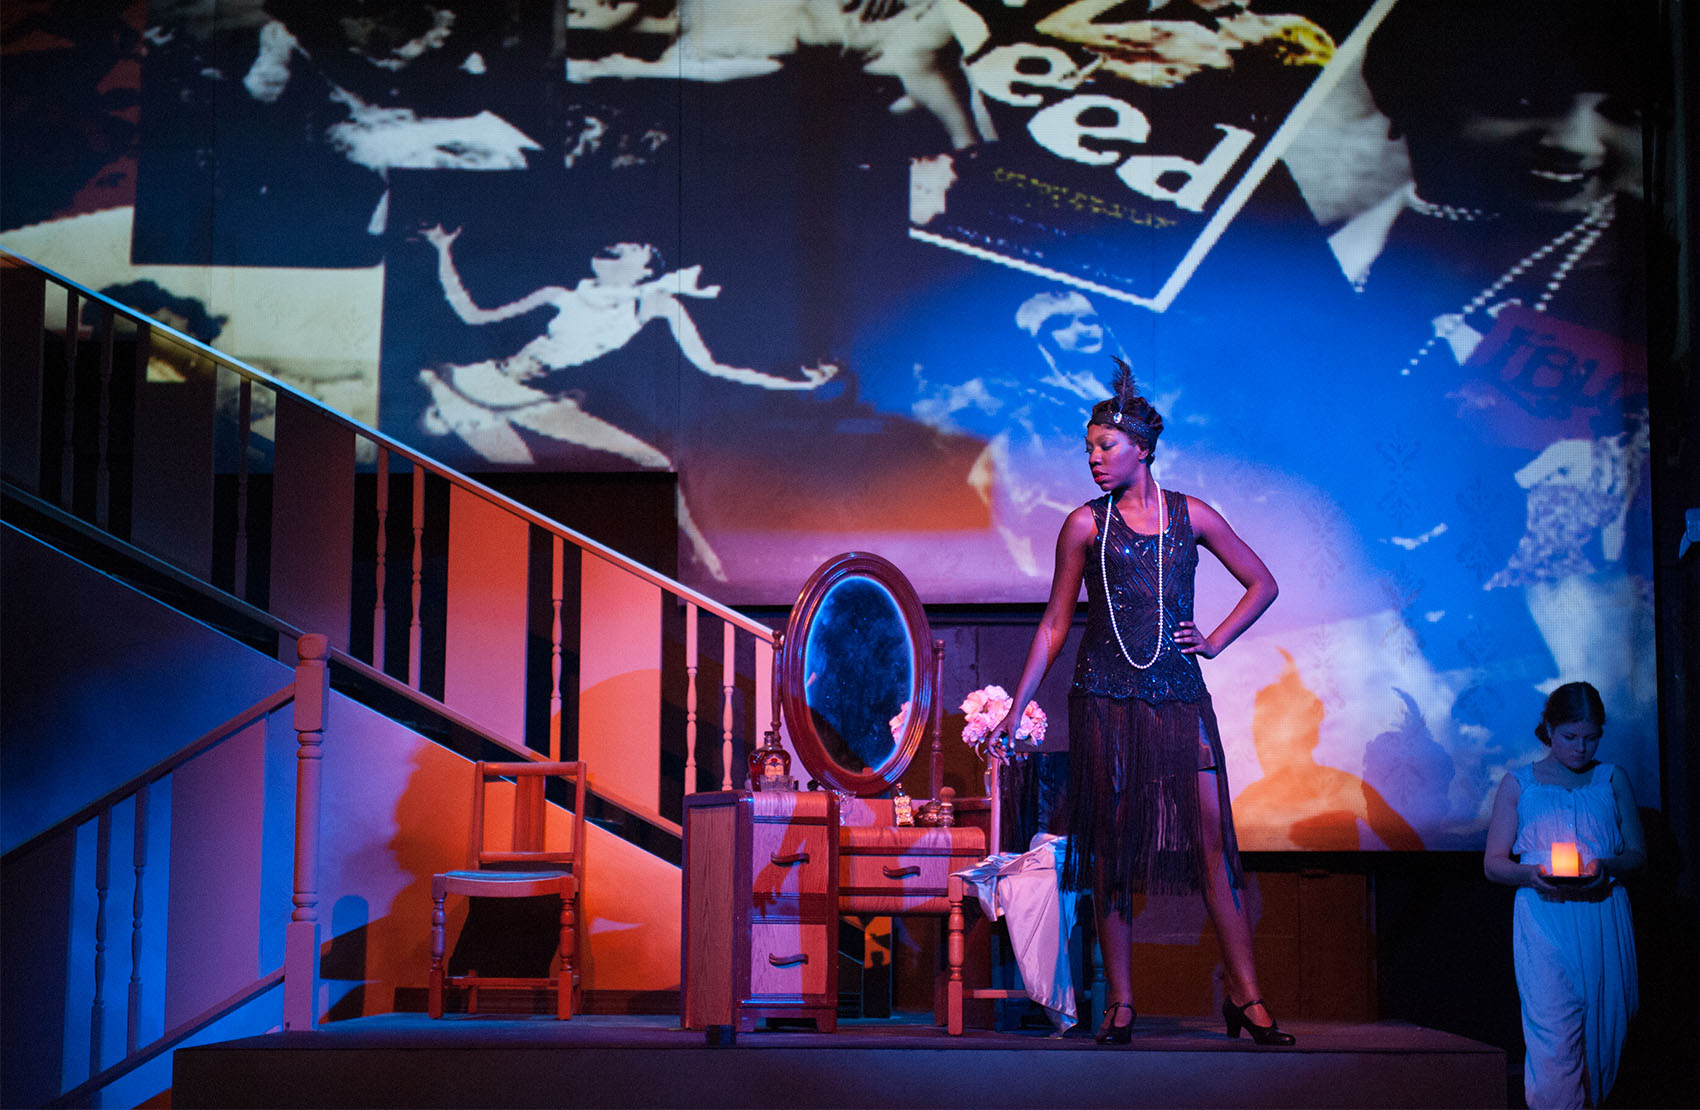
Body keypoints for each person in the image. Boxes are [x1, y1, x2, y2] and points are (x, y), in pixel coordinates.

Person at [990, 358, 1290, 1046]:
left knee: (1213, 848)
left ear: (1142, 449)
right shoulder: (1083, 527)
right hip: (1106, 699)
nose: (1094, 459)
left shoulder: (1194, 515)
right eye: (1089, 448)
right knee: (1115, 852)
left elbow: (1262, 582)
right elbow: (1055, 623)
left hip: (1179, 699)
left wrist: (1213, 640)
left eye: (1106, 446)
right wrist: (1017, 707)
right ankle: (1121, 1003)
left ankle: (1247, 998)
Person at [1483, 681, 1644, 1109]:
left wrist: (1605, 868)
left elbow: (1636, 853)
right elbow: (1494, 862)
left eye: (1591, 738)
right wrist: (1531, 875)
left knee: (1606, 1029)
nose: (1580, 747)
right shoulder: (1520, 784)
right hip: (1544, 916)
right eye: (1570, 737)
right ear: (1549, 730)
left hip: (1602, 913)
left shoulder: (1612, 779)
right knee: (1553, 1033)